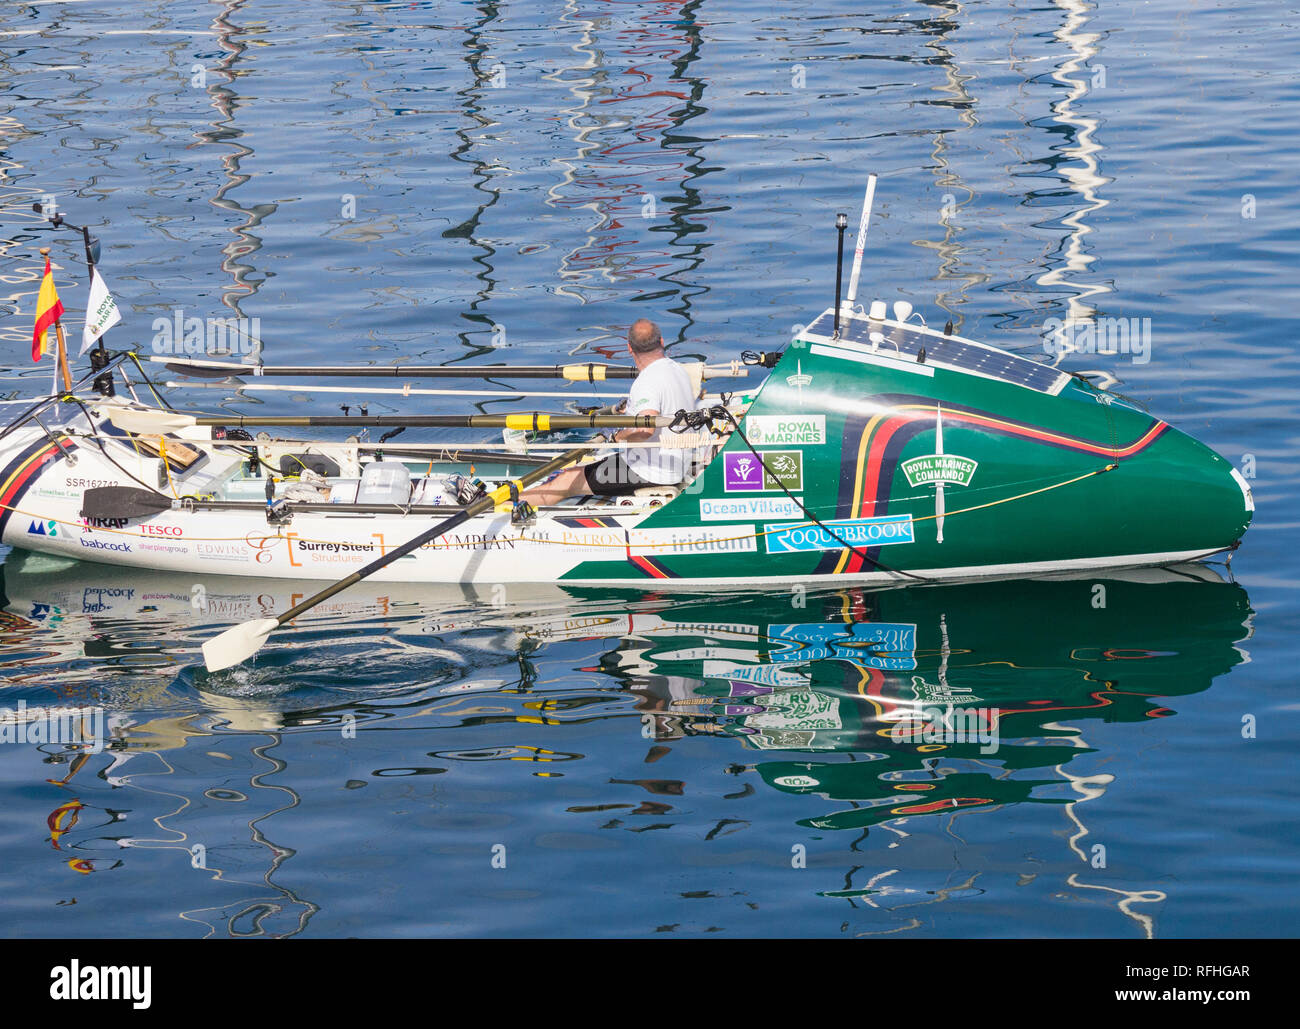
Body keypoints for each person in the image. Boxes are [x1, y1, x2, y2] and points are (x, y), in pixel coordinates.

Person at [524, 318, 696, 505]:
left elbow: (645, 430)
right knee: (589, 467)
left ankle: (505, 509)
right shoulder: (678, 370)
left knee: (566, 479)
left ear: (629, 348)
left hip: (650, 471)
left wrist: (617, 437)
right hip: (675, 464)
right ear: (661, 342)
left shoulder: (647, 381)